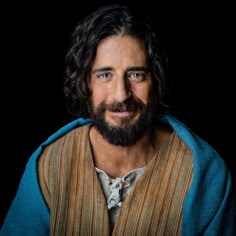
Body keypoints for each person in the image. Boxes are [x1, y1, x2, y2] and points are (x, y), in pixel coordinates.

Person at [0, 4, 235, 236]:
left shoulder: (206, 175)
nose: (121, 94)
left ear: (156, 81)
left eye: (136, 75)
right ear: (85, 83)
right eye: (105, 75)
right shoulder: (49, 164)